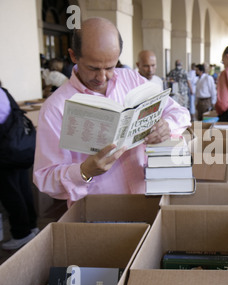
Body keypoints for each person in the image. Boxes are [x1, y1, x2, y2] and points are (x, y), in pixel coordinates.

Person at [33, 17, 191, 207]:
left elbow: (180, 113)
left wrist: (166, 126)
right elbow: (45, 177)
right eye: (93, 68)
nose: (102, 77)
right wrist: (84, 171)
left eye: (110, 67)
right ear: (74, 56)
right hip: (100, 212)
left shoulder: (131, 79)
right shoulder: (55, 107)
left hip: (149, 196)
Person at [0, 86, 38, 250]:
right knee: (23, 188)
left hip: (5, 152)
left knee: (10, 193)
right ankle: (31, 226)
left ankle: (21, 233)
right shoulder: (3, 91)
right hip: (18, 147)